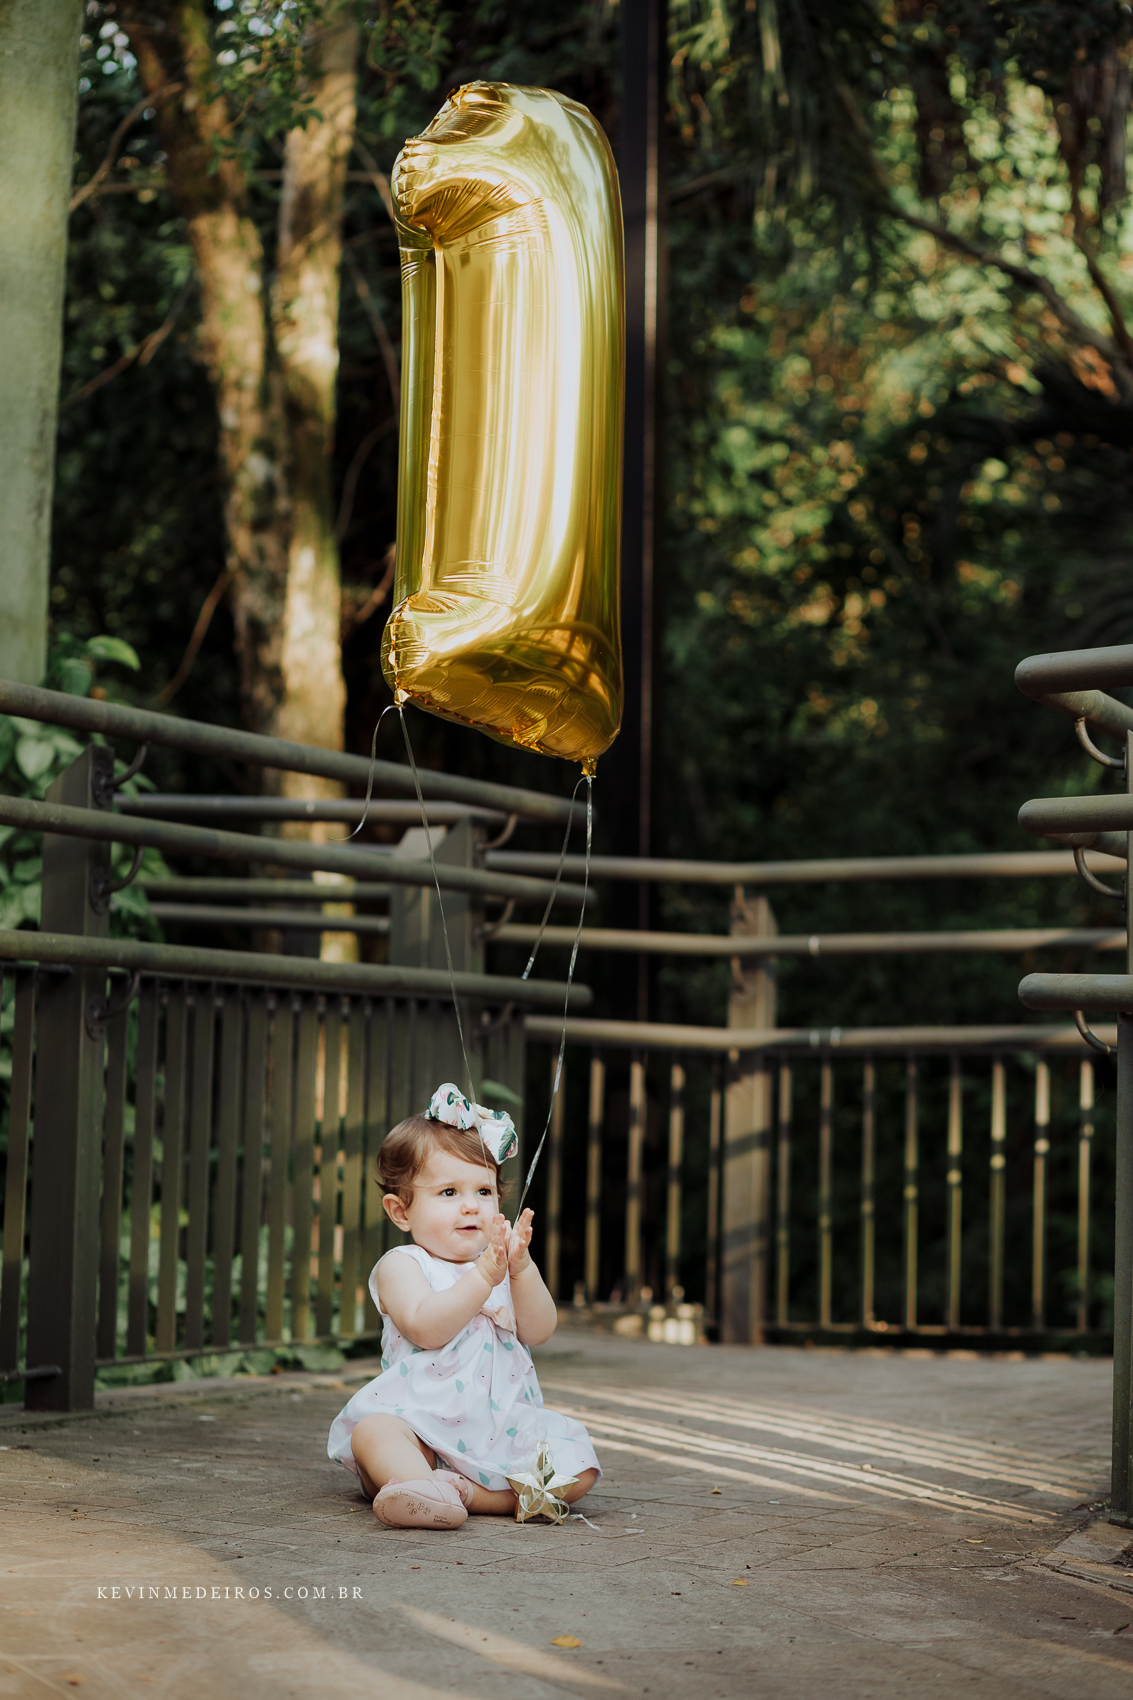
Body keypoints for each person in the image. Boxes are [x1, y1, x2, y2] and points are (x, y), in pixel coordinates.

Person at [326, 1084, 601, 1530]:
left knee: (579, 1462)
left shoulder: (498, 1267)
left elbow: (539, 1329)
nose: (471, 1205)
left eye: (484, 1192)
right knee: (373, 1432)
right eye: (449, 1193)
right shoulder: (404, 1265)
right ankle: (420, 1486)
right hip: (419, 1427)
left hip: (500, 1430)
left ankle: (468, 1496)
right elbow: (424, 1327)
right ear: (401, 1212)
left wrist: (522, 1269)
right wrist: (483, 1279)